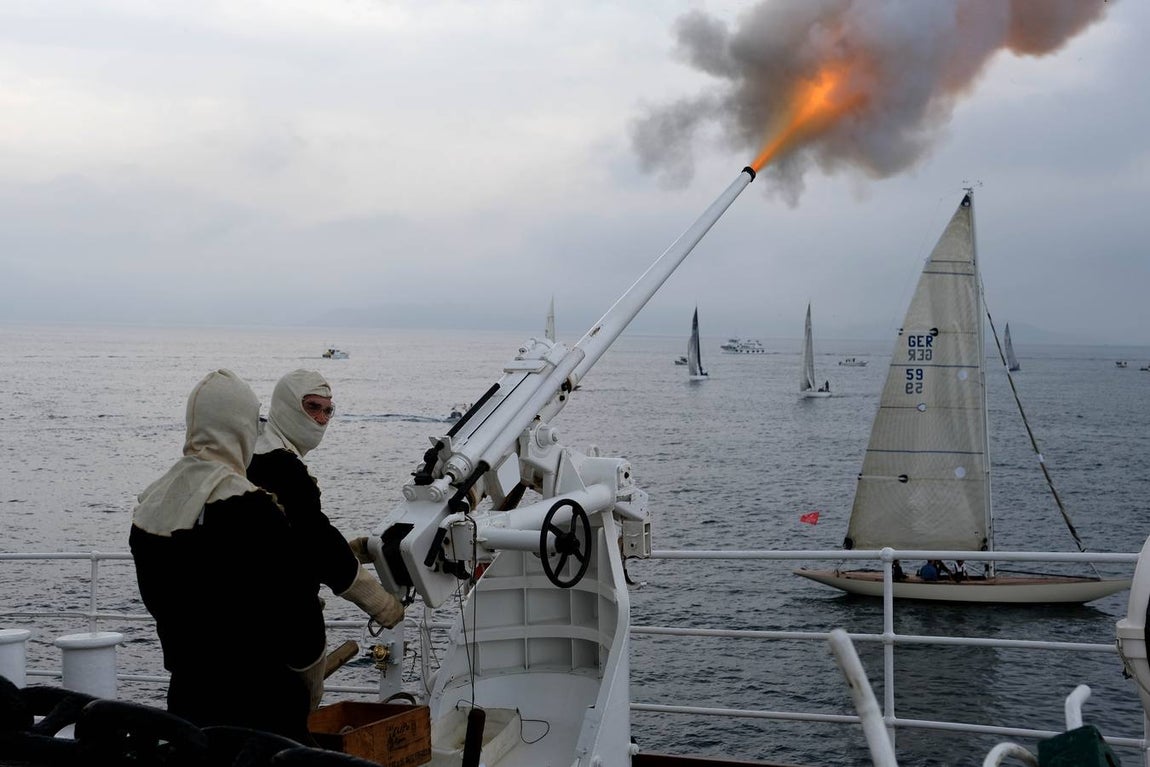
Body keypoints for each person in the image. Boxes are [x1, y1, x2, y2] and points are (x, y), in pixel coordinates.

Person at [129, 369, 325, 743]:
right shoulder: (252, 508)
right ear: (242, 427)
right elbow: (295, 609)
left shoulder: (151, 505)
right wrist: (308, 670)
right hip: (261, 705)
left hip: (188, 697)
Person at [246, 369, 404, 702]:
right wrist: (380, 602)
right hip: (278, 623)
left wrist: (347, 552)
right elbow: (315, 535)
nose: (320, 419)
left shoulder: (251, 449)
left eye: (328, 410)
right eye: (312, 407)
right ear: (286, 405)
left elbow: (286, 539)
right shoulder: (283, 466)